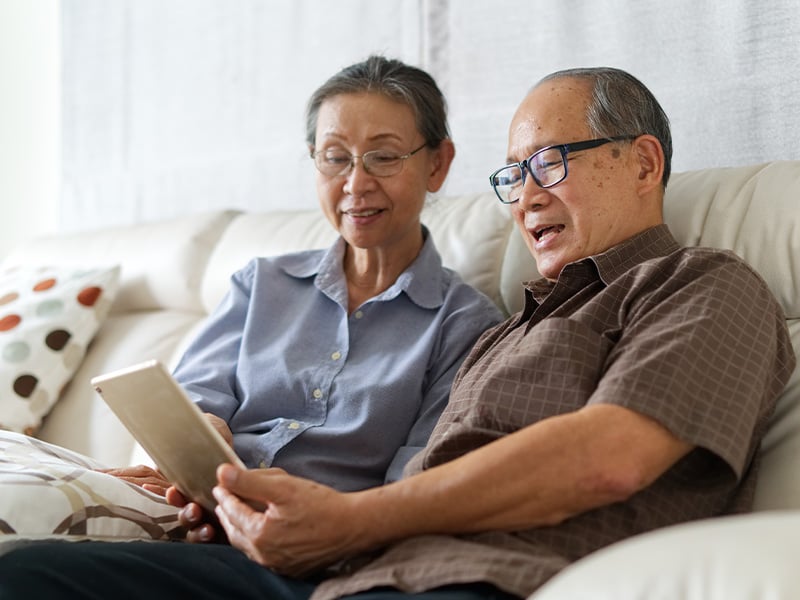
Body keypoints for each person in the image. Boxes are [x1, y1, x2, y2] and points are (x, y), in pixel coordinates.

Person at [0, 67, 794, 600]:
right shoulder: (513, 326)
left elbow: (609, 459)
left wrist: (345, 523)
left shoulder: (703, 285)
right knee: (32, 576)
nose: (524, 198)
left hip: (467, 578)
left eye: (550, 163)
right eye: (513, 176)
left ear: (644, 162)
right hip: (349, 574)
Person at [101, 54, 502, 500]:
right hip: (205, 510)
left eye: (383, 157)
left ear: (437, 164)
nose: (355, 184)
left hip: (319, 548)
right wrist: (200, 438)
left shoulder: (465, 324)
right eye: (335, 158)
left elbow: (414, 484)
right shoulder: (261, 284)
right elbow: (194, 396)